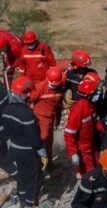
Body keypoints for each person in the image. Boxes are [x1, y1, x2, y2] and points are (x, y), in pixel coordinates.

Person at [1, 77, 48, 207]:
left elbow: (5, 132)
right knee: (34, 179)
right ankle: (31, 203)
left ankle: (21, 198)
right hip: (28, 153)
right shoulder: (27, 115)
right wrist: (41, 150)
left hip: (14, 149)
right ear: (25, 94)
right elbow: (34, 138)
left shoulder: (6, 110)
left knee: (21, 174)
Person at [64, 79, 104, 178]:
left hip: (92, 144)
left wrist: (104, 132)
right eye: (94, 93)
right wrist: (73, 153)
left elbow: (96, 120)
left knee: (100, 166)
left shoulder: (91, 105)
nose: (97, 94)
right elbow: (69, 134)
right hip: (82, 150)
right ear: (87, 95)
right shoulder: (78, 111)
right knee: (89, 174)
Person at [30, 67, 65, 171]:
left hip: (51, 118)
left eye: (56, 84)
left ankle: (49, 165)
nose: (54, 87)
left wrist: (57, 120)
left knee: (49, 143)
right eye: (52, 84)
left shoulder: (60, 88)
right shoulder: (40, 87)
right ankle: (38, 167)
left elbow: (58, 106)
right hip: (40, 119)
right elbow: (28, 100)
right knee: (43, 142)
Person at [0, 82, 17, 179]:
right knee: (4, 153)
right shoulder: (3, 90)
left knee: (3, 161)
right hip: (6, 129)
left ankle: (19, 177)